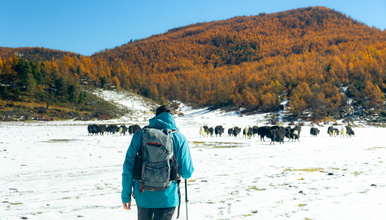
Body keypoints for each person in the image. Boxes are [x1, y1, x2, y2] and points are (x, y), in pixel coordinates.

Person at [122, 105, 194, 220]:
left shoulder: (140, 135)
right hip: (168, 197)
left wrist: (126, 196)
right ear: (172, 117)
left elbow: (128, 167)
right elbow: (187, 173)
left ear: (155, 117)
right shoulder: (179, 138)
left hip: (143, 195)